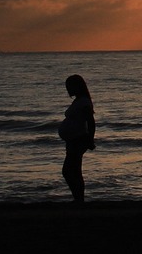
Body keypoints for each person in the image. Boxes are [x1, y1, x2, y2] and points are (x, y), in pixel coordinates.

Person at [58, 74, 96, 202]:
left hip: (78, 139)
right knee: (73, 170)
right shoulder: (79, 100)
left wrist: (90, 139)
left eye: (69, 86)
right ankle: (78, 198)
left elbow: (91, 121)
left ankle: (79, 198)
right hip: (73, 139)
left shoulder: (84, 102)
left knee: (70, 170)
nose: (68, 89)